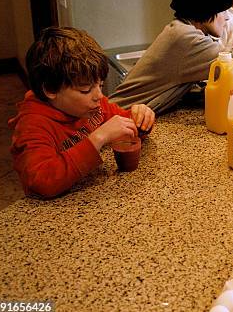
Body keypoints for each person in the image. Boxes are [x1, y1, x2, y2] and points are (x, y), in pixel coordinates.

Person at [9, 27, 155, 199]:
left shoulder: (93, 105)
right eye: (85, 90)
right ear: (50, 88)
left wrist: (140, 118)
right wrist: (98, 138)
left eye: (100, 85)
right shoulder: (32, 126)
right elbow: (42, 181)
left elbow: (123, 124)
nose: (99, 96)